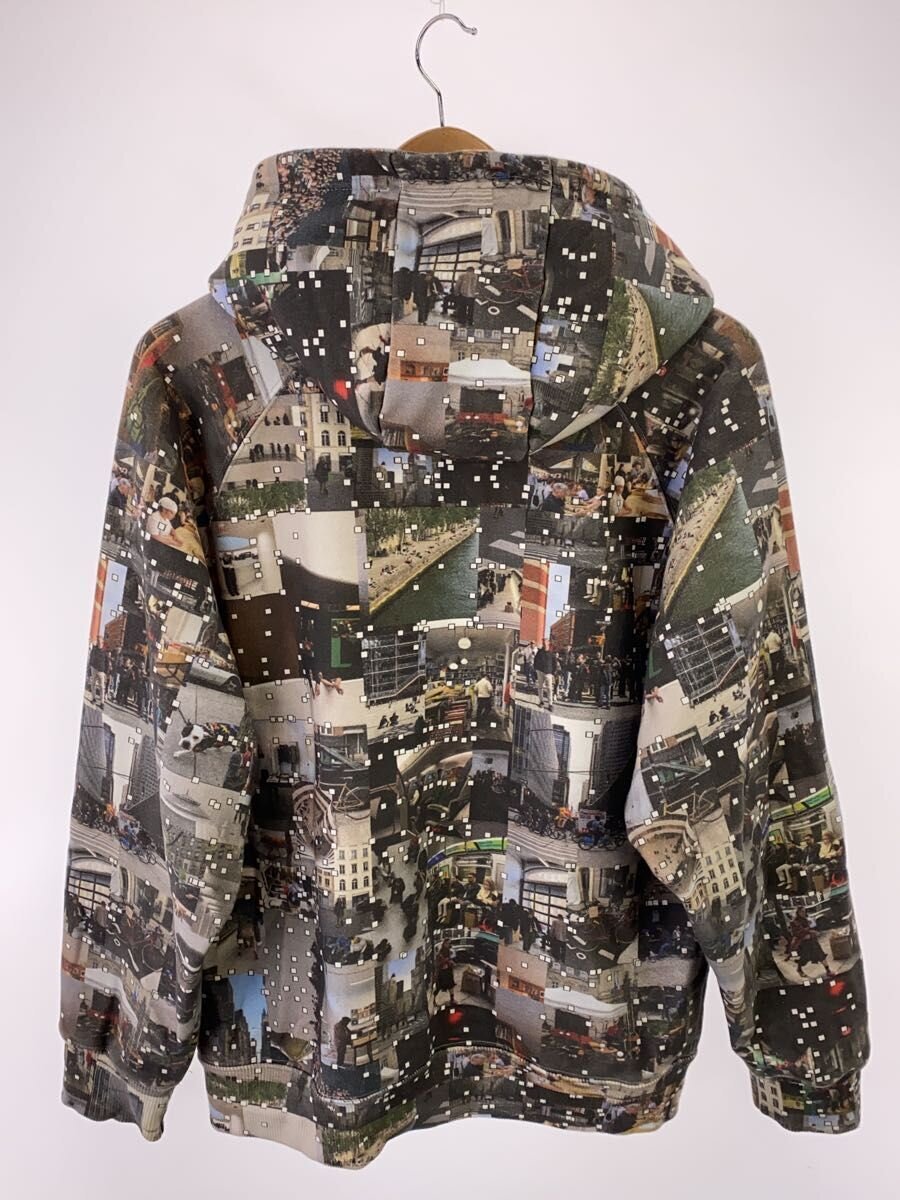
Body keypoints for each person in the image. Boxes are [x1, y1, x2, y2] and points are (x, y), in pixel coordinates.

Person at [534, 640, 556, 708]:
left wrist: (553, 673)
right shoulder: (540, 652)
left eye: (545, 643)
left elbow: (554, 663)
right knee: (540, 687)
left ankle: (550, 704)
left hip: (548, 673)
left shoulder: (551, 653)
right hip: (540, 671)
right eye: (543, 643)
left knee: (549, 688)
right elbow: (535, 659)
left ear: (548, 643)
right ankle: (541, 701)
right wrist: (536, 669)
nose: (544, 644)